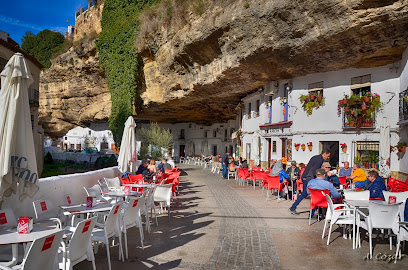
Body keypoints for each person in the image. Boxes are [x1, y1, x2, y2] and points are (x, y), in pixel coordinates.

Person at [289, 149, 331, 215]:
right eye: (328, 156)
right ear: (324, 154)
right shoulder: (319, 160)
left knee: (305, 194)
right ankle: (314, 212)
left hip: (306, 177)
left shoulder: (316, 157)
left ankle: (293, 207)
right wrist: (325, 173)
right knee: (316, 193)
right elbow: (315, 171)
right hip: (308, 178)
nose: (328, 158)